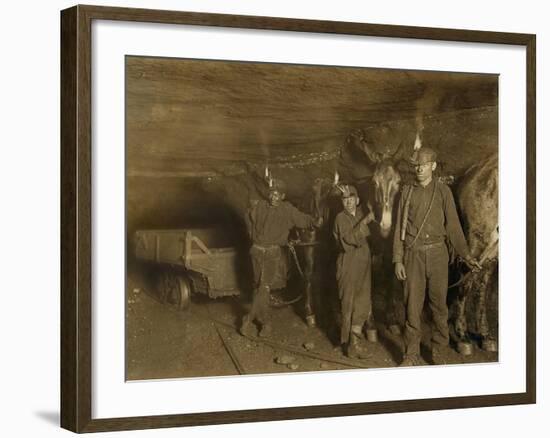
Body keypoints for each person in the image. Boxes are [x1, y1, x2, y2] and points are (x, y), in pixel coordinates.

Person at [393, 147, 481, 366]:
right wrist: (397, 259)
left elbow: (453, 228)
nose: (419, 169)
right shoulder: (407, 192)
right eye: (416, 166)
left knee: (439, 306)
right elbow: (398, 229)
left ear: (432, 166)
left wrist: (467, 255)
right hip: (413, 255)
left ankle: (439, 349)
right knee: (411, 306)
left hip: (438, 256)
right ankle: (411, 353)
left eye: (423, 165)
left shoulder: (443, 192)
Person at [240, 178, 322, 338]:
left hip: (272, 253)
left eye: (277, 194)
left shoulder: (288, 210)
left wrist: (314, 222)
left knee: (264, 287)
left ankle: (248, 318)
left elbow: (303, 219)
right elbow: (248, 217)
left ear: (283, 196)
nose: (273, 197)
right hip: (256, 251)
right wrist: (251, 234)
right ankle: (265, 322)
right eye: (271, 194)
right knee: (258, 286)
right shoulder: (260, 206)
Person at [332, 184, 375, 359]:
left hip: (364, 265)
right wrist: (365, 221)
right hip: (348, 264)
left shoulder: (359, 214)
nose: (348, 203)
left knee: (363, 302)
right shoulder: (340, 218)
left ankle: (354, 341)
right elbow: (350, 239)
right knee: (347, 304)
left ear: (357, 200)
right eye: (345, 200)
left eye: (351, 199)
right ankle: (347, 344)